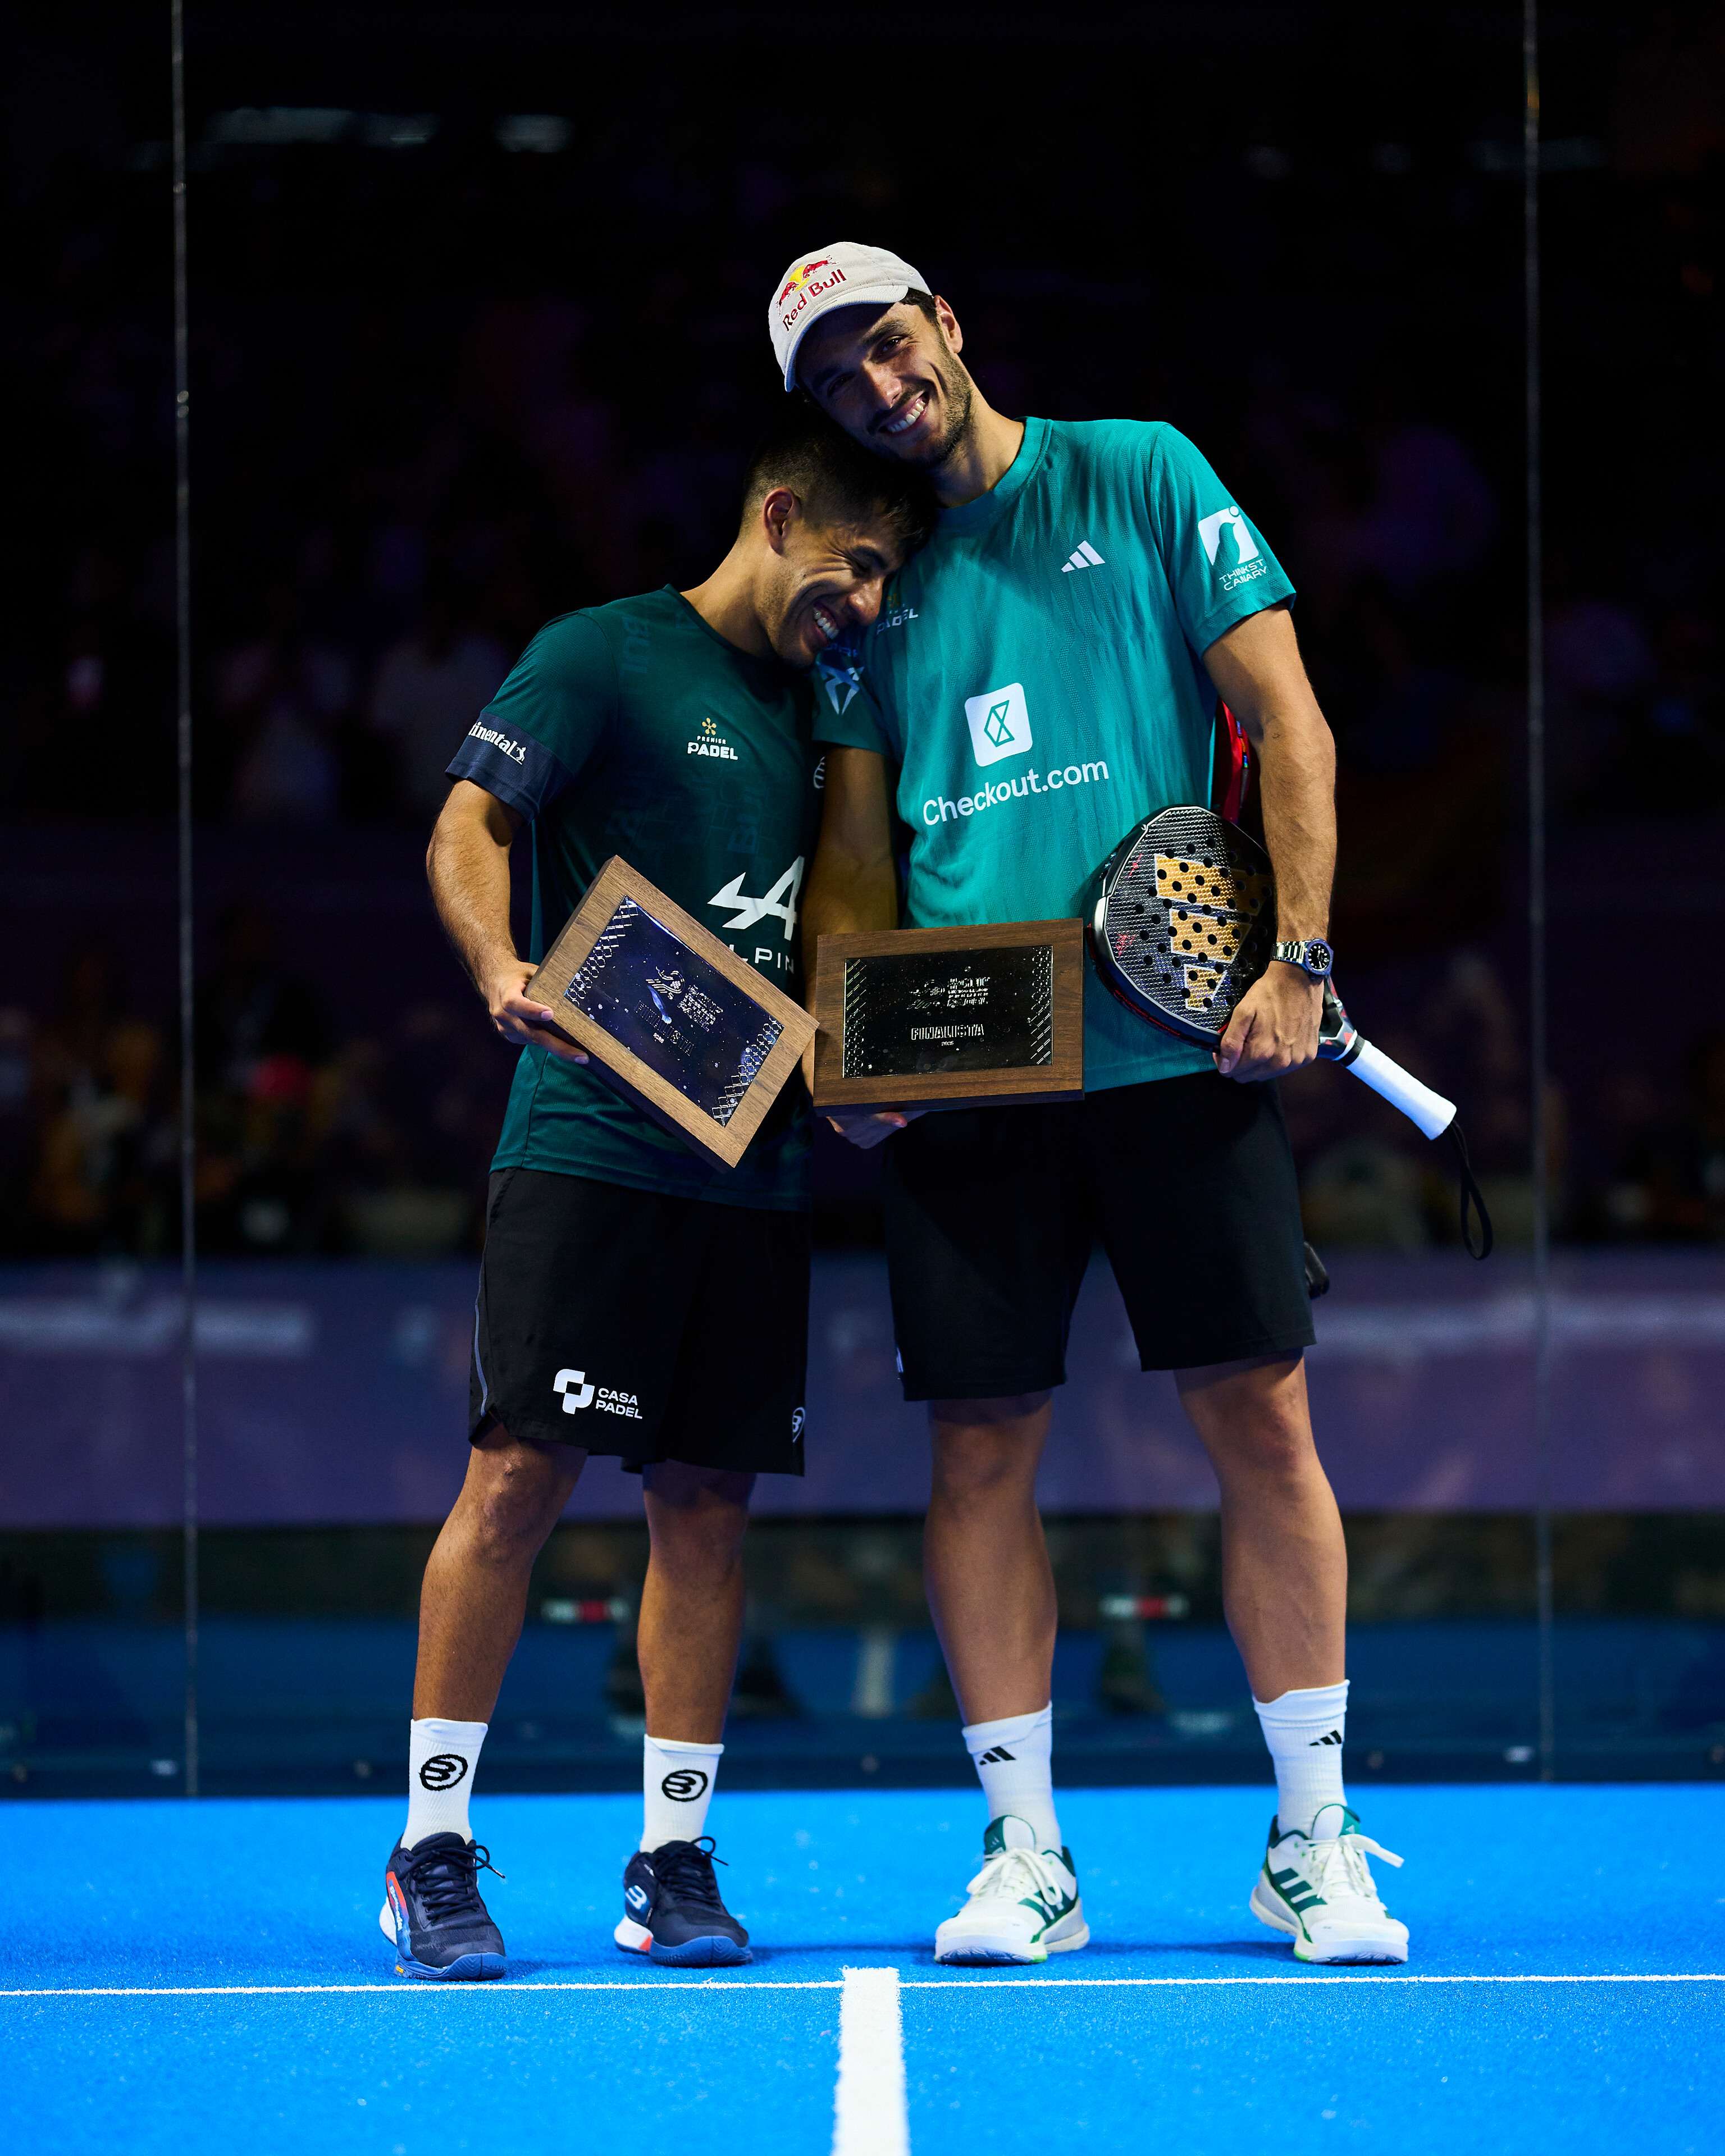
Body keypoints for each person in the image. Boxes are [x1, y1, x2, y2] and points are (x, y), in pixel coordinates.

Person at [769, 243, 1408, 1966]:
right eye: (834, 382)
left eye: (885, 344)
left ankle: (1314, 1839)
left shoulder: (1141, 473)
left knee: (1260, 1421)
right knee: (981, 1447)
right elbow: (855, 846)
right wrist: (848, 1038)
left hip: (1182, 1057)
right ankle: (1027, 1855)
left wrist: (1303, 956)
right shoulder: (872, 579)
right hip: (972, 1079)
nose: (876, 389)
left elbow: (1289, 721)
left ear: (946, 322)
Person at [381, 406, 935, 1980]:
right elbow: (469, 822)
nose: (866, 603)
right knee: (517, 1479)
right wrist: (498, 961)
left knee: (707, 1506)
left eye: (887, 581)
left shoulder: (828, 712)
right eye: (855, 564)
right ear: (778, 515)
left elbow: (840, 928)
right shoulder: (603, 654)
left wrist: (870, 1075)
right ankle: (429, 1850)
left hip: (753, 1170)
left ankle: (672, 1862)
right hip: (589, 1149)